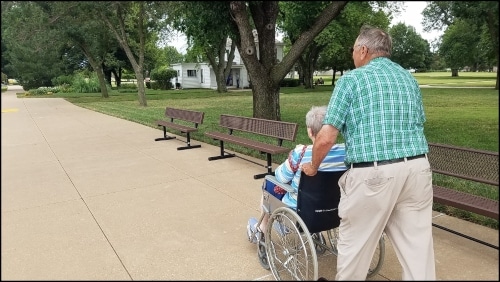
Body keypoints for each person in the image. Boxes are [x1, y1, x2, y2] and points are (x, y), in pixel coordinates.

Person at [301, 25, 436, 280]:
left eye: (353, 50)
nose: (352, 55)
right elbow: (417, 123)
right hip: (417, 169)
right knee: (418, 251)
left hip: (373, 174)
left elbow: (326, 137)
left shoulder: (351, 80)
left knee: (355, 250)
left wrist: (313, 166)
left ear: (363, 50)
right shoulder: (409, 79)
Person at [247, 105, 347, 241]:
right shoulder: (346, 152)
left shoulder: (301, 153)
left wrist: (292, 155)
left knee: (270, 182)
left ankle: (262, 228)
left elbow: (281, 177)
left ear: (310, 131)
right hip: (335, 208)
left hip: (300, 211)